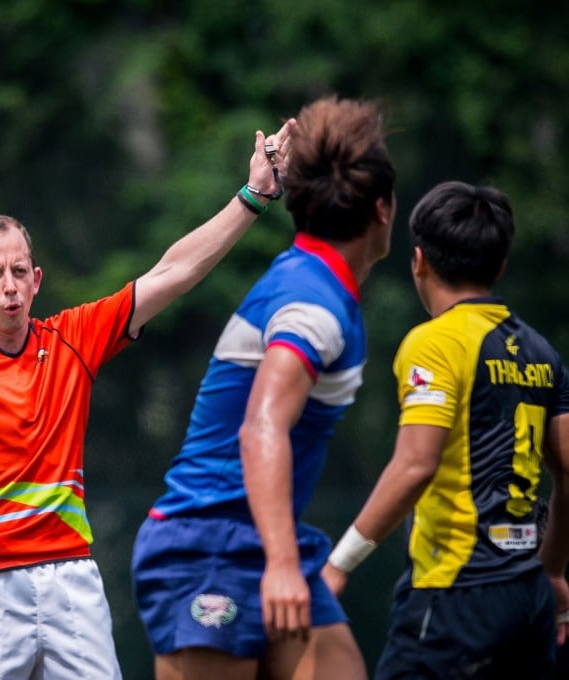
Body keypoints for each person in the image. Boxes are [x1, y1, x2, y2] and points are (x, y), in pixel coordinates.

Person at [0, 114, 296, 677]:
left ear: (37, 278)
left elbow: (174, 272)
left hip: (71, 579)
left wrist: (253, 196)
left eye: (19, 271)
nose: (9, 286)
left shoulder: (72, 338)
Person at [129, 95, 396, 680]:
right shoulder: (313, 301)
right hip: (208, 544)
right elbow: (263, 425)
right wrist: (278, 562)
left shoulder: (314, 277)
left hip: (271, 541)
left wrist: (280, 556)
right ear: (382, 210)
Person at [321, 181, 569, 679]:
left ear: (419, 261)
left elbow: (415, 464)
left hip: (455, 593)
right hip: (528, 599)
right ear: (499, 265)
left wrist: (337, 565)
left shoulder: (434, 344)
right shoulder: (543, 351)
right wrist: (554, 569)